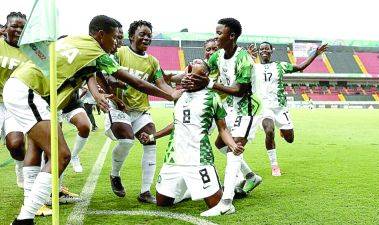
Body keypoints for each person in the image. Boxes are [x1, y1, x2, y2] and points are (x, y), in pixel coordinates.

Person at [7, 15, 180, 225]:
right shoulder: (98, 53)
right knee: (61, 155)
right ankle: (24, 219)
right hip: (29, 90)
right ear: (100, 35)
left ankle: (28, 211)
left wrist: (98, 94)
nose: (117, 42)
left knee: (37, 147)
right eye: (115, 37)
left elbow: (87, 72)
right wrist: (171, 95)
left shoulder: (75, 40)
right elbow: (137, 83)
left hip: (25, 88)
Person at [185, 18, 262, 216]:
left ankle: (226, 202)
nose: (217, 36)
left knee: (233, 151)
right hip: (230, 108)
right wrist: (178, 78)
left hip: (247, 108)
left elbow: (239, 90)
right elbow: (203, 72)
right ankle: (250, 176)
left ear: (232, 36)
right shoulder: (218, 55)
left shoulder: (244, 58)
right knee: (221, 144)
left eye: (220, 33)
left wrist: (209, 84)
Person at [154, 59, 243, 214]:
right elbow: (177, 123)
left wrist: (233, 145)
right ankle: (189, 187)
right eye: (189, 73)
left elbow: (222, 128)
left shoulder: (212, 97)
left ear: (205, 77)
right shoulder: (178, 95)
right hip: (173, 156)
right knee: (162, 203)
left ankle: (225, 196)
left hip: (199, 157)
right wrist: (153, 136)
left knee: (215, 205)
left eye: (196, 76)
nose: (190, 78)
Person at [106, 20, 177, 204]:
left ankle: (145, 192)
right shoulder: (119, 53)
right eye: (142, 34)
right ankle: (115, 174)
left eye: (149, 35)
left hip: (141, 111)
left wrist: (176, 94)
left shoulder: (153, 62)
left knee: (151, 143)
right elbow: (106, 75)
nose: (146, 37)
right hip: (118, 107)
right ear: (131, 36)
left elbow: (161, 84)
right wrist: (113, 96)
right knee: (127, 140)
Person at [254, 41, 327, 176]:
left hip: (280, 107)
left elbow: (300, 66)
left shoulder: (280, 66)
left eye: (267, 49)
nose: (264, 51)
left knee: (290, 139)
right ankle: (274, 165)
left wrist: (315, 53)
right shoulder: (253, 67)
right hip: (264, 107)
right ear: (259, 52)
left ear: (271, 51)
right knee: (269, 131)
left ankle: (283, 129)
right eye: (261, 49)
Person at [0, 12, 28, 188]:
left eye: (22, 27)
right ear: (5, 29)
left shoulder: (31, 53)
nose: (18, 30)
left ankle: (20, 167)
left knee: (16, 143)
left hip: (14, 105)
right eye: (14, 26)